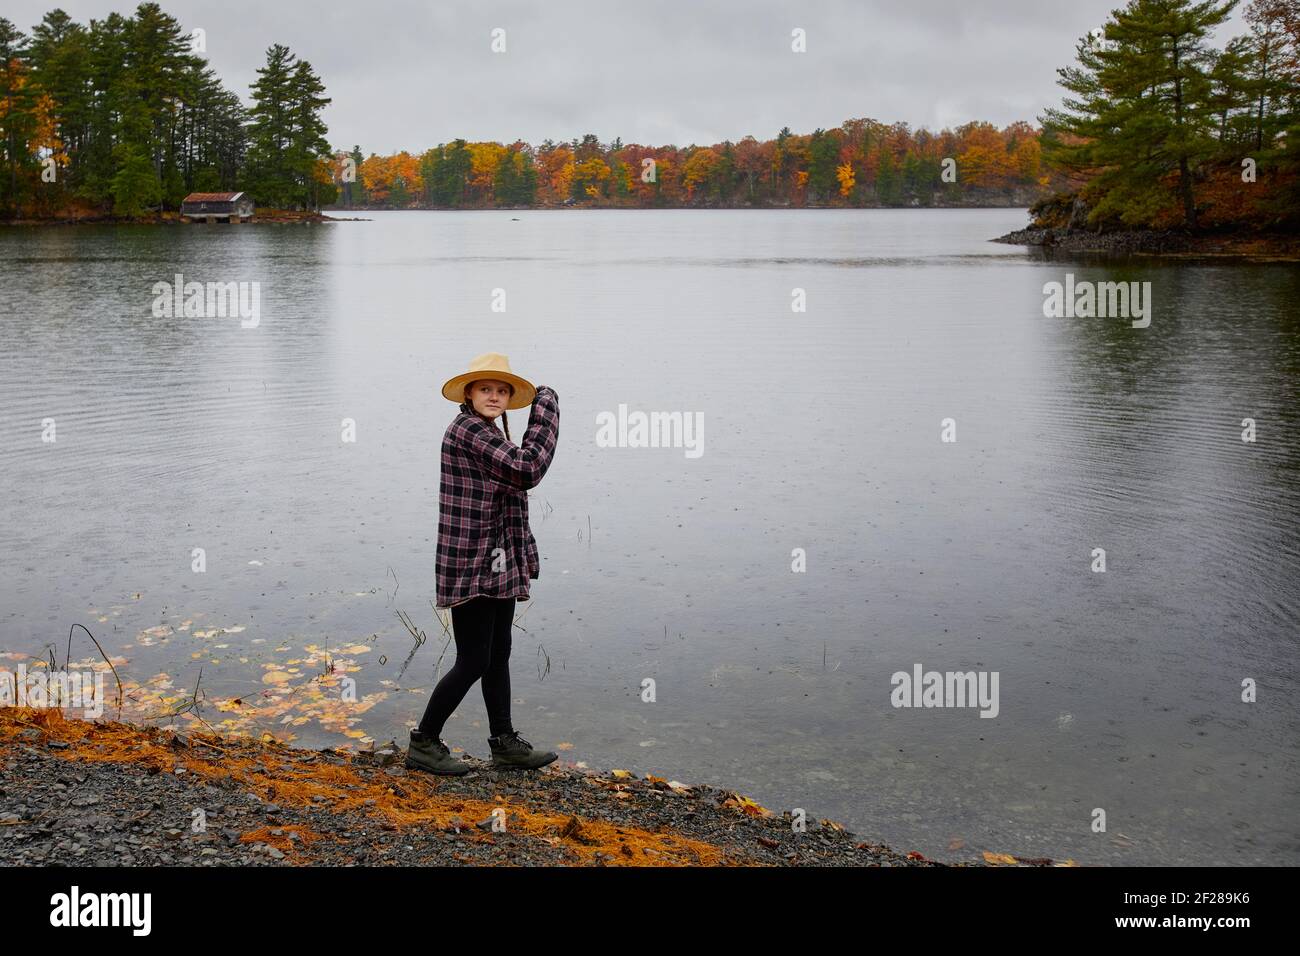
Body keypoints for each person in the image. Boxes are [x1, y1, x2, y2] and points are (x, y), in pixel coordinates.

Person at [407, 352, 561, 775]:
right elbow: (528, 469)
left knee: (498, 655)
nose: (494, 395)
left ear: (509, 398)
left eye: (501, 390)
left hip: (497, 557)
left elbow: (511, 478)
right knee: (474, 659)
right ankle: (423, 741)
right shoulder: (470, 429)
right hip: (471, 559)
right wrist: (547, 405)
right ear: (470, 393)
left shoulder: (488, 430)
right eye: (486, 388)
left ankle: (505, 743)